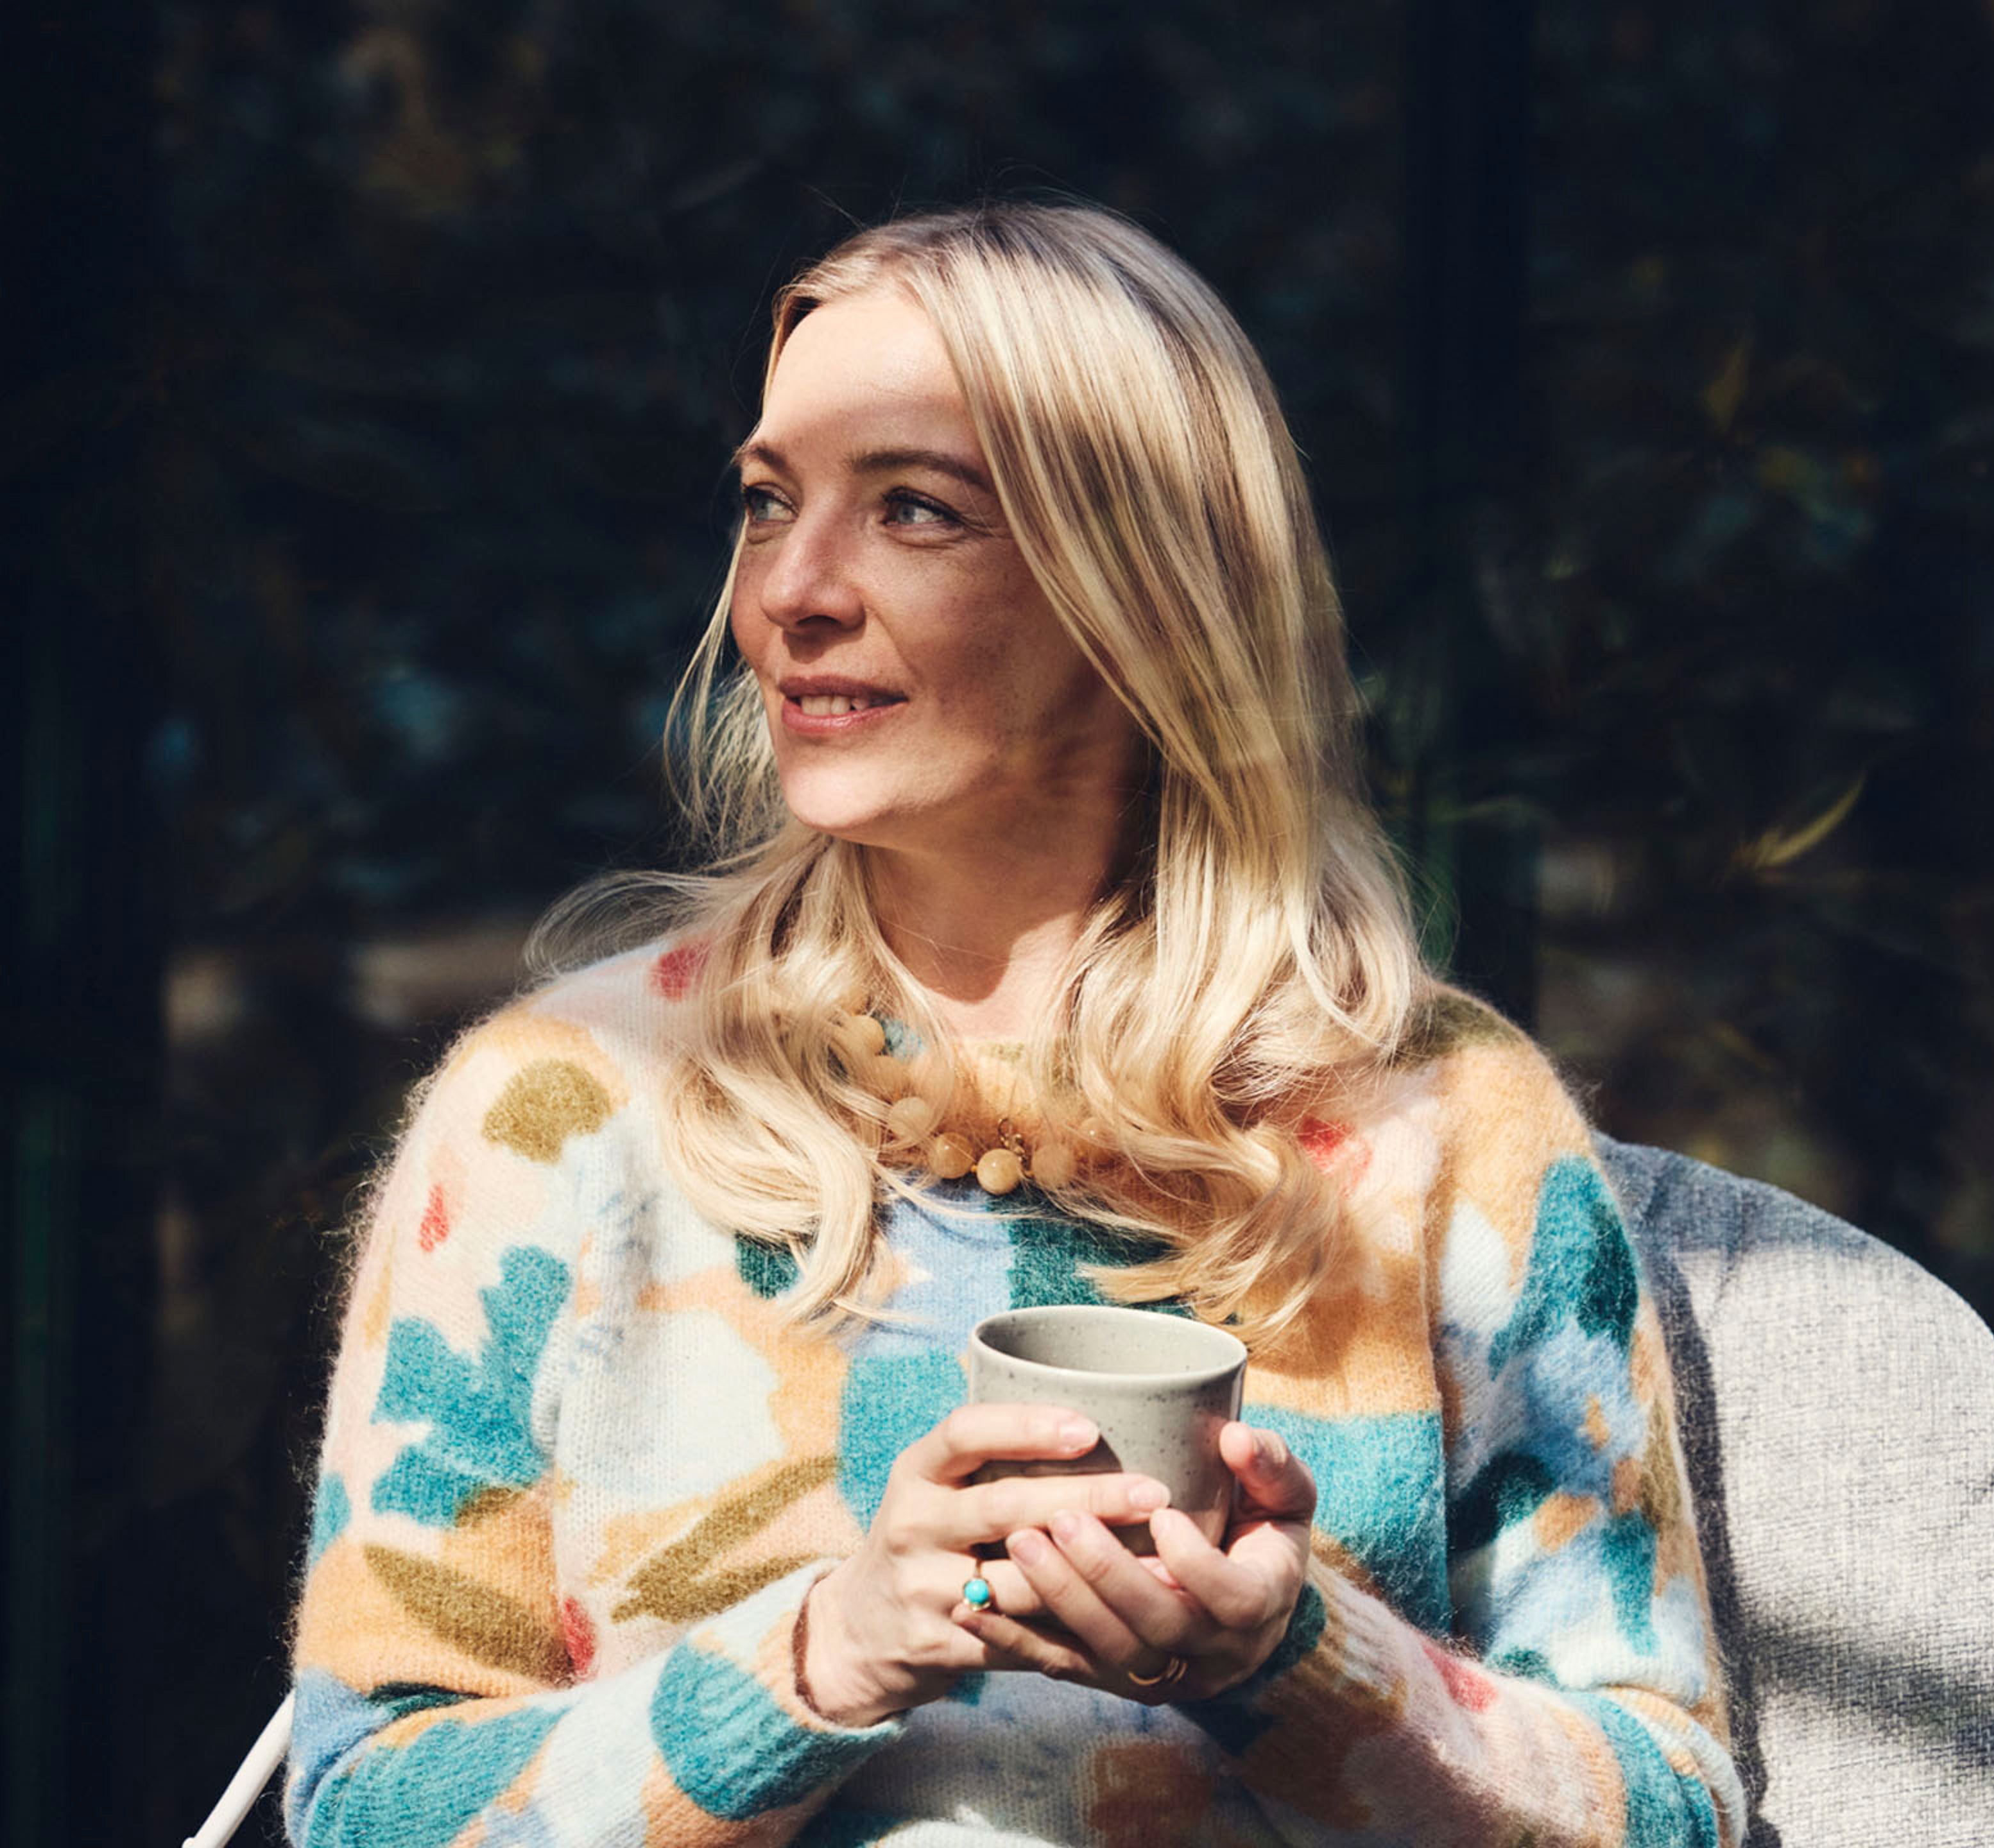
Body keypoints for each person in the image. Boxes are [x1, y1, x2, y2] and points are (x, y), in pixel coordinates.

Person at [285, 199, 1744, 1846]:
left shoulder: (1446, 1134)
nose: (793, 594)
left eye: (913, 509)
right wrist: (816, 1664)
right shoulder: (563, 1113)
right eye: (769, 505)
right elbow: (367, 1806)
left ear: (1148, 594)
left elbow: (1669, 1808)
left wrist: (1293, 1660)